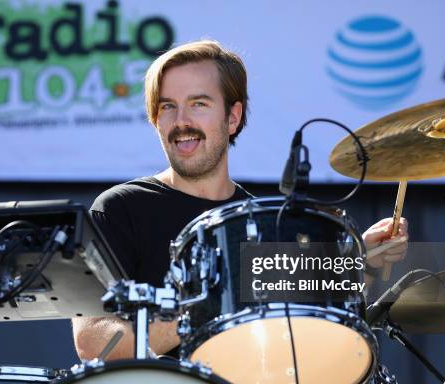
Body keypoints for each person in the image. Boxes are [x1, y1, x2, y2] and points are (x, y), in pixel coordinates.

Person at [71, 40, 408, 361]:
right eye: (168, 107)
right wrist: (210, 306)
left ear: (233, 117)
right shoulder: (119, 208)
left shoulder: (267, 226)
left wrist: (360, 263)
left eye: (198, 104)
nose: (181, 121)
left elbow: (314, 328)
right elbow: (92, 342)